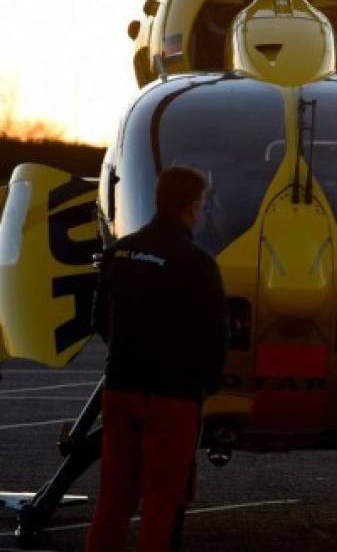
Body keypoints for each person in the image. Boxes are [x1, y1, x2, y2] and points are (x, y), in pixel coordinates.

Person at [85, 167, 229, 552]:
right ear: (191, 207)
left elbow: (99, 318)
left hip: (119, 390)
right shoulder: (198, 264)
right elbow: (216, 337)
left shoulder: (120, 252)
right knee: (161, 506)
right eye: (201, 203)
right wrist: (204, 384)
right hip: (171, 399)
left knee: (112, 503)